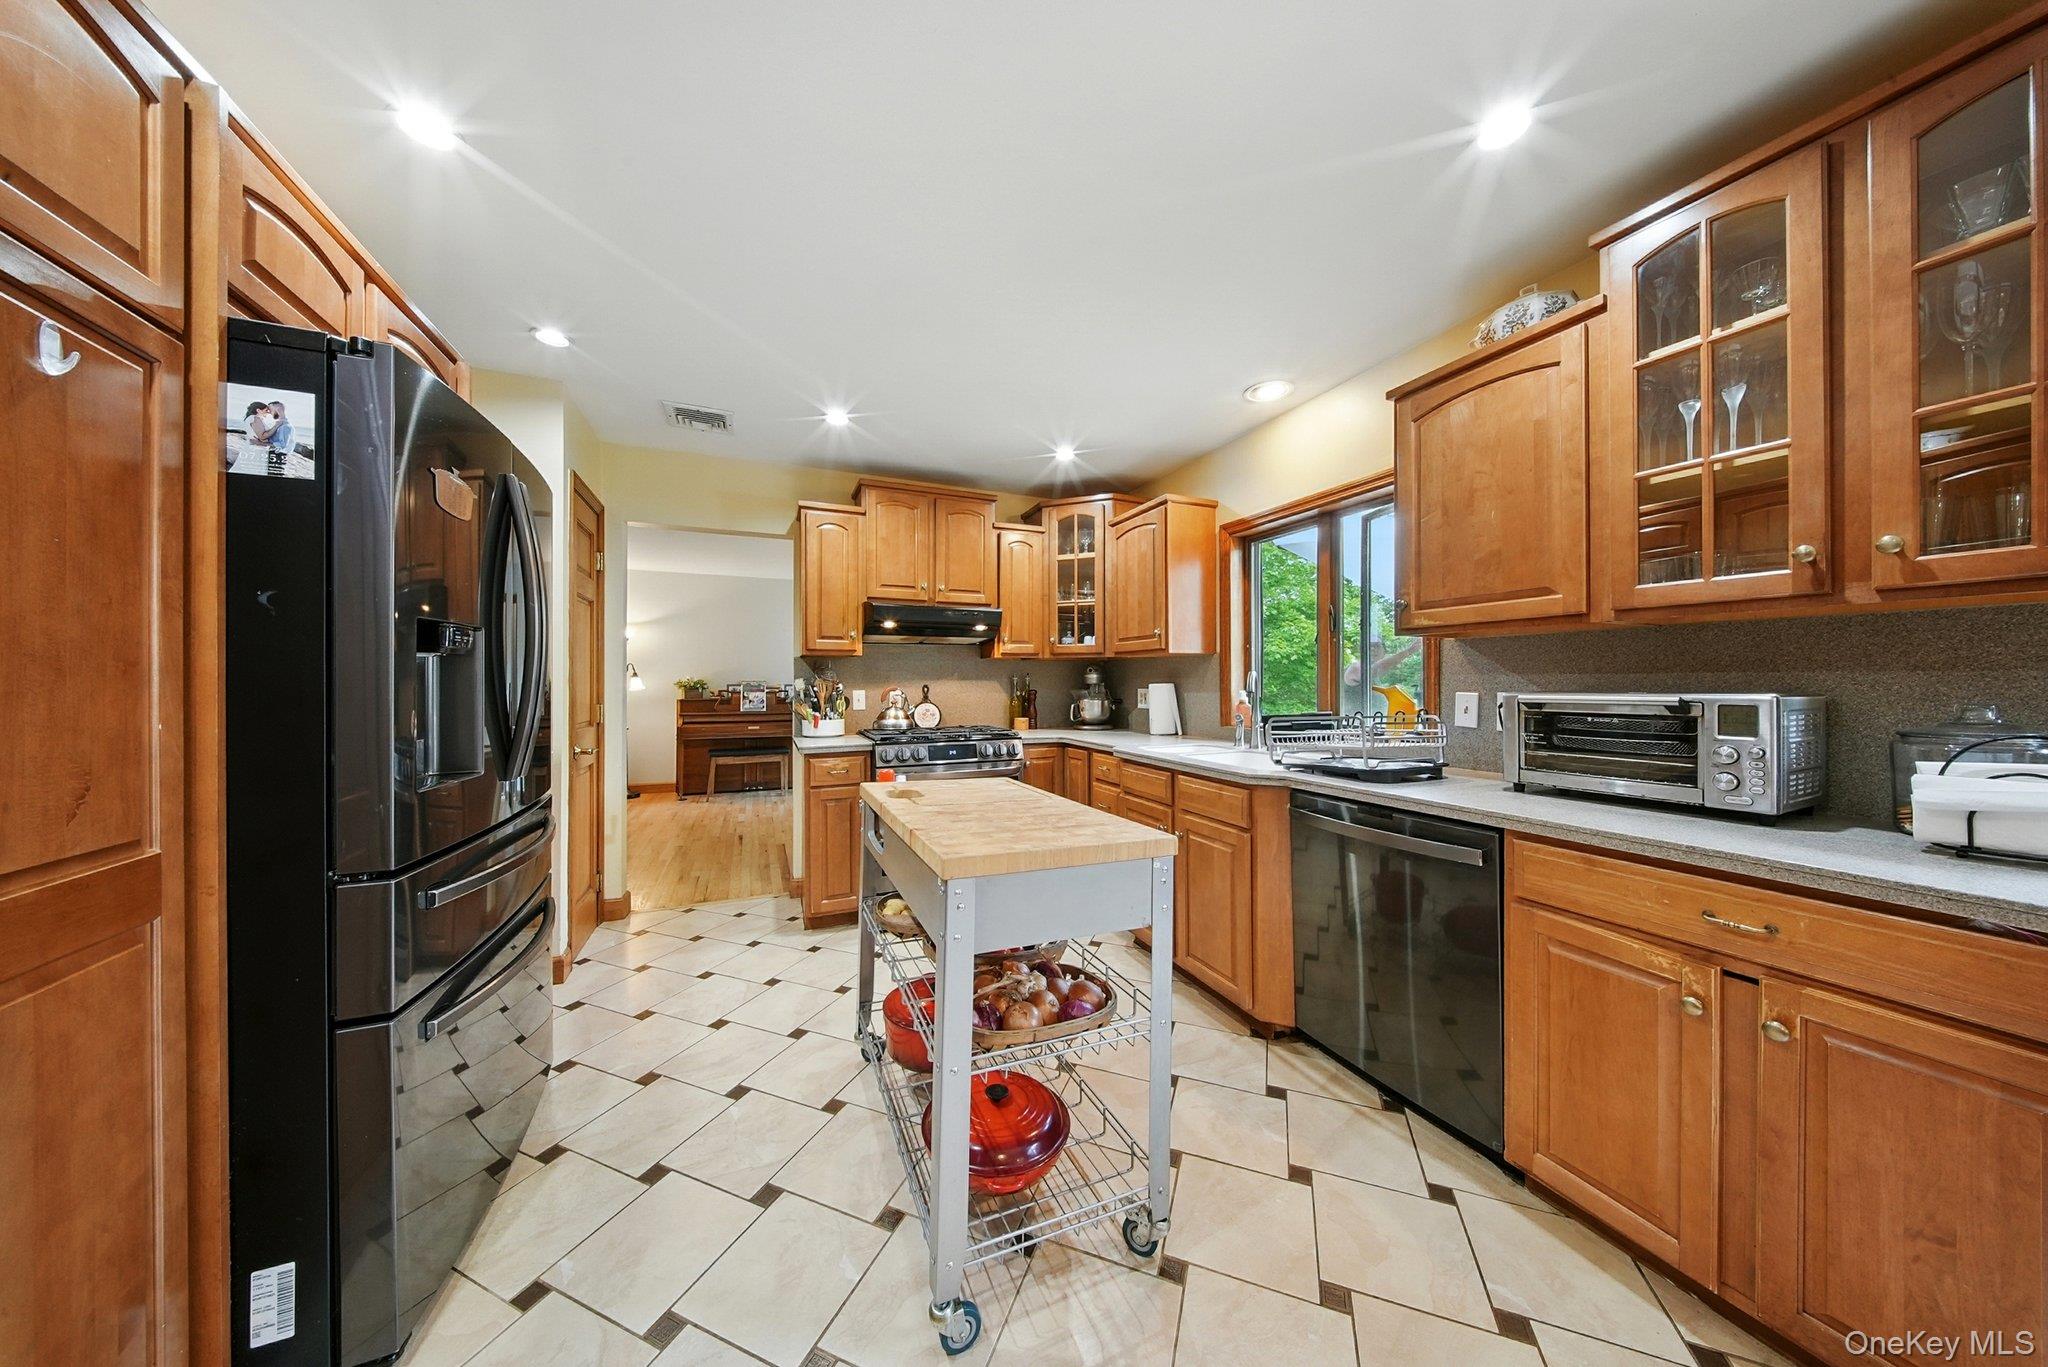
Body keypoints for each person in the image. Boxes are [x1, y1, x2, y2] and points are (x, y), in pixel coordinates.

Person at [265, 401, 296, 476]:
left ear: (278, 409)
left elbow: (282, 445)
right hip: (276, 455)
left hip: (277, 456)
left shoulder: (285, 426)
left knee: (274, 478)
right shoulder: (280, 424)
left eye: (270, 409)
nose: (269, 412)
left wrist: (261, 443)